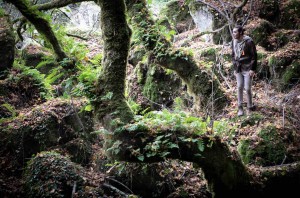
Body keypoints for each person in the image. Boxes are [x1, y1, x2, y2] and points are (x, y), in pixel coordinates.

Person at [231, 25, 257, 116]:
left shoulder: (249, 41)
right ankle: (240, 108)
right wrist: (235, 68)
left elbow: (254, 56)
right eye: (233, 32)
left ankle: (250, 107)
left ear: (241, 32)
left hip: (248, 68)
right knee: (239, 87)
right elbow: (233, 55)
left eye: (235, 32)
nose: (233, 34)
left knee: (247, 88)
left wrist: (252, 69)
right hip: (238, 68)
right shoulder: (234, 42)